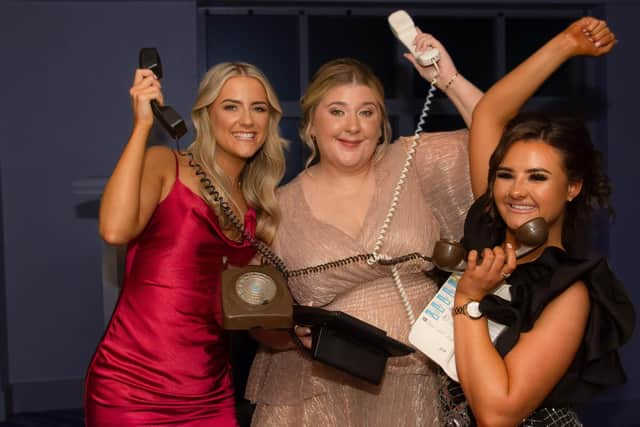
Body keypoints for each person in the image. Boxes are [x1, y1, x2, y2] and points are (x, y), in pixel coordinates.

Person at [245, 31, 485, 425]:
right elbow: (253, 314)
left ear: (381, 124)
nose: (352, 126)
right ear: (311, 125)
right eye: (337, 111)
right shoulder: (277, 209)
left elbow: (504, 142)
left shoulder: (413, 162)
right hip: (318, 391)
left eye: (367, 111)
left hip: (415, 382)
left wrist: (449, 80)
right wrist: (290, 337)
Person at [445, 17, 635, 426]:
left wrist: (467, 299)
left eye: (538, 177)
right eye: (506, 174)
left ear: (572, 188)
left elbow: (498, 415)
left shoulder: (570, 292)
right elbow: (490, 114)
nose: (516, 191)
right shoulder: (489, 226)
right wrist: (565, 44)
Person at [84, 62, 287, 426]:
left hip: (211, 392)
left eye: (258, 108)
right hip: (132, 389)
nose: (247, 120)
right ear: (206, 115)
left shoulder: (260, 208)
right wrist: (142, 127)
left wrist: (299, 333)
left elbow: (250, 319)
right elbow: (114, 230)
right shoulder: (165, 163)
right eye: (231, 106)